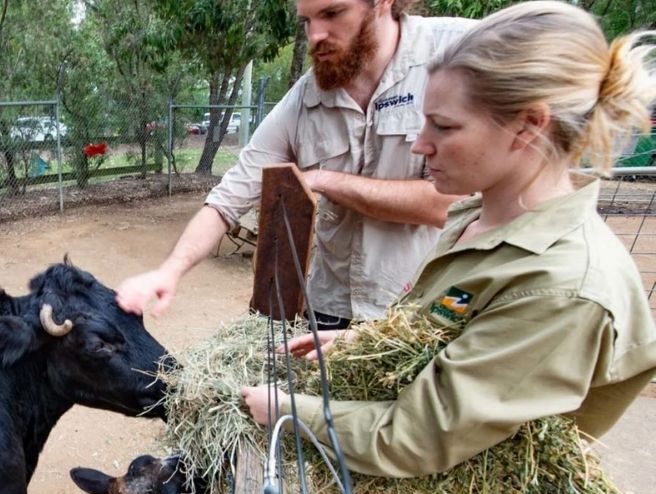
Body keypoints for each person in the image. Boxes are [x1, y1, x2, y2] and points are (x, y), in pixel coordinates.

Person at [243, 2, 656, 494]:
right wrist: (366, 341)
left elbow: (415, 438)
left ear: (528, 126)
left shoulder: (562, 286)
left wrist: (284, 408)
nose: (421, 144)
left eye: (445, 126)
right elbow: (443, 333)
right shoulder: (475, 215)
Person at [116, 0, 472, 329]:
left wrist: (323, 180)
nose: (315, 35)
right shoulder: (306, 97)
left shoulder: (457, 55)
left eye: (332, 14)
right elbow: (230, 197)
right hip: (331, 307)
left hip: (420, 309)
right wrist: (170, 271)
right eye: (306, 21)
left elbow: (453, 204)